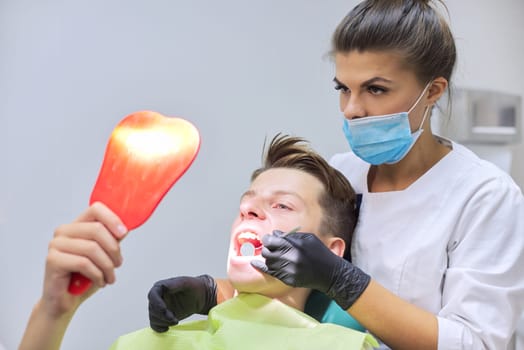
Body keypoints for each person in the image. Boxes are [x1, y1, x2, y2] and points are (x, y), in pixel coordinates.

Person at [146, 1, 524, 349]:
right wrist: (211, 293)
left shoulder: (484, 196)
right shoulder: (343, 171)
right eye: (343, 88)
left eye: (375, 89)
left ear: (433, 91)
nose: (352, 109)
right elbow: (290, 293)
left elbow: (476, 343)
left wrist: (343, 281)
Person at [18, 134, 377, 350]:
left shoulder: (342, 346)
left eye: (281, 205)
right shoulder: (146, 344)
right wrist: (52, 312)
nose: (250, 212)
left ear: (331, 254)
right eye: (246, 205)